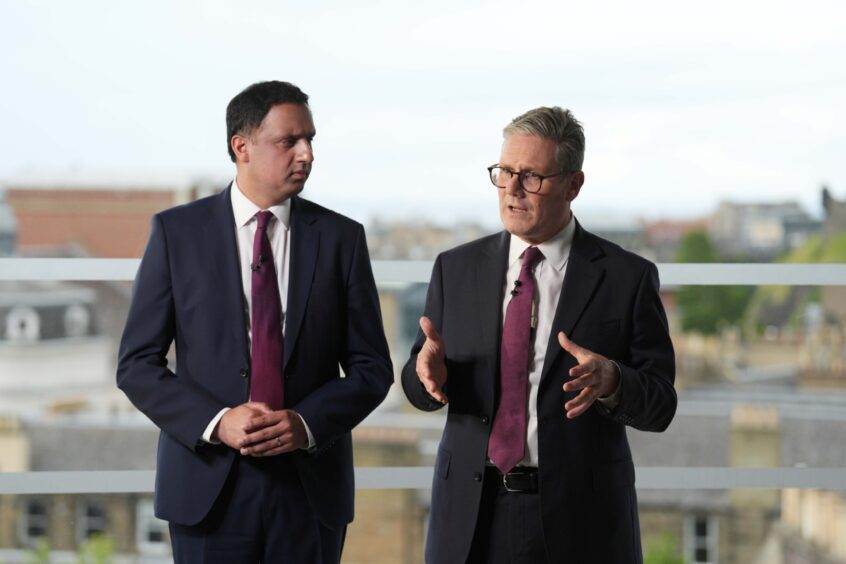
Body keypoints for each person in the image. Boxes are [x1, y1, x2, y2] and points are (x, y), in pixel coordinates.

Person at [117, 80, 393, 563]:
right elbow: (137, 364)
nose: (306, 154)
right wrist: (217, 422)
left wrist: (305, 423)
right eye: (289, 141)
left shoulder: (342, 239)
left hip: (309, 491)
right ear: (241, 147)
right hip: (207, 488)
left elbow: (372, 369)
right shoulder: (176, 234)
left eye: (310, 139)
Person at [402, 106, 677, 564]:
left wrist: (612, 382)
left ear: (574, 184)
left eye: (531, 177)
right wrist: (426, 377)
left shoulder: (627, 278)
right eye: (505, 172)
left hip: (582, 523)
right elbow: (419, 385)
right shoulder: (455, 268)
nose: (511, 189)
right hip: (469, 517)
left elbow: (661, 405)